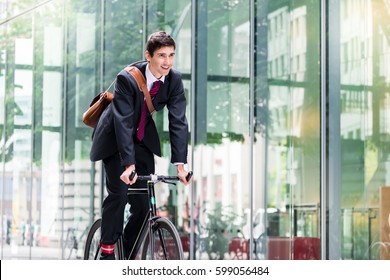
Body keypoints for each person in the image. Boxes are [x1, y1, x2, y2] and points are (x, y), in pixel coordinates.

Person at [90, 31, 192, 260]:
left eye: (171, 55)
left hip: (141, 139)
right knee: (120, 193)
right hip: (115, 138)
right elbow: (123, 122)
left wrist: (180, 166)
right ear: (149, 55)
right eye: (162, 56)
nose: (167, 62)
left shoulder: (174, 80)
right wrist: (128, 165)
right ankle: (107, 252)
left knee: (144, 204)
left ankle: (125, 254)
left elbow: (178, 121)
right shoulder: (127, 78)